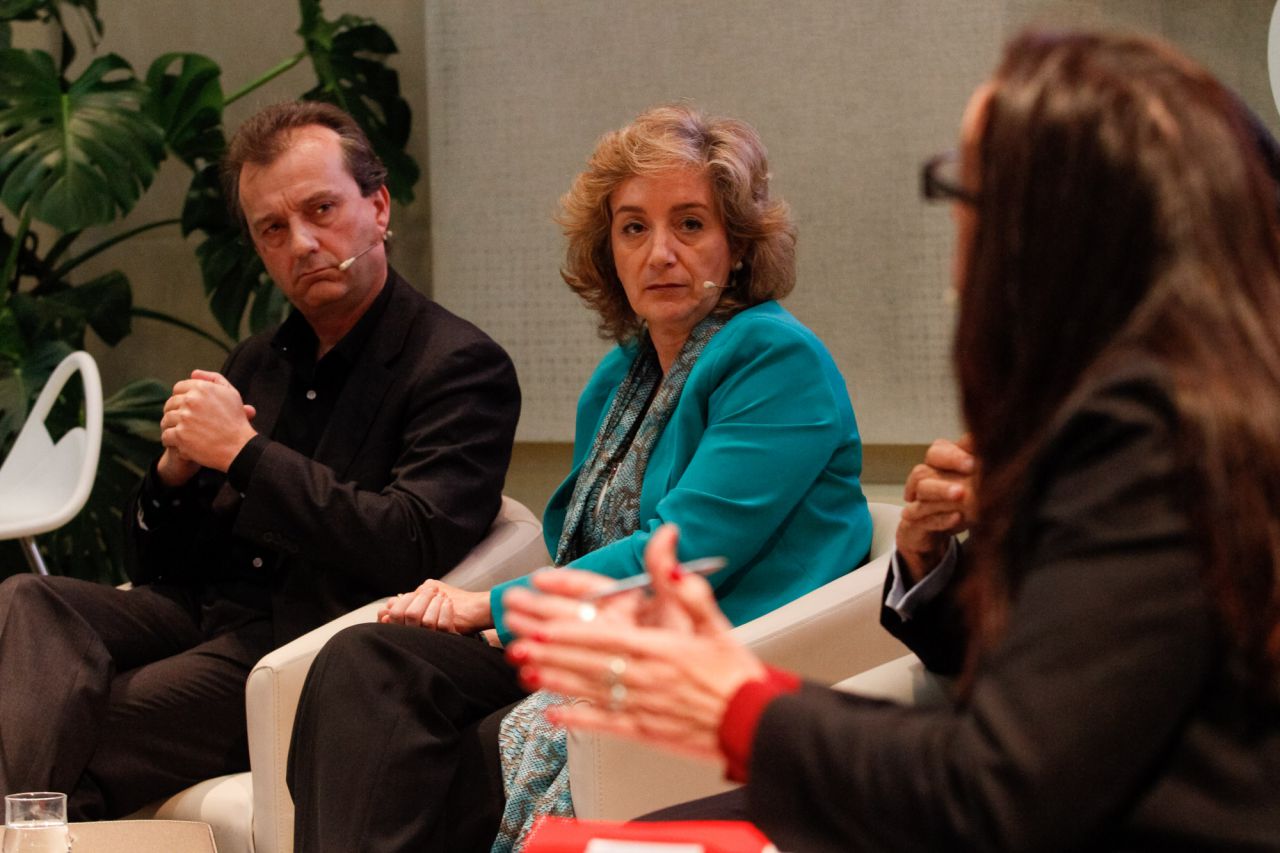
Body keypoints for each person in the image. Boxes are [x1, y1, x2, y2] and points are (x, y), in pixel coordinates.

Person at [501, 30, 1280, 852]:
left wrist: (737, 700)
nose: (955, 259)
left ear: (1064, 226)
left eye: (968, 194)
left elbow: (1001, 791)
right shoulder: (1165, 406)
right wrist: (930, 560)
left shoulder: (1143, 437)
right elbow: (1033, 680)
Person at [286, 103, 873, 852]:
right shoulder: (618, 378)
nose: (660, 252)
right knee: (366, 664)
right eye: (634, 227)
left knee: (432, 762)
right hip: (596, 639)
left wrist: (484, 606)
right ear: (609, 250)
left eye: (689, 224)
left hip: (713, 649)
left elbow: (680, 555)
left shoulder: (774, 359)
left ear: (738, 242)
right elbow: (579, 549)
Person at [0, 100, 520, 819]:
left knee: (59, 722)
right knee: (27, 597)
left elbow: (411, 539)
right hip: (200, 614)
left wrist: (245, 454)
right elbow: (156, 569)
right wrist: (173, 477)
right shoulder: (258, 359)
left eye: (321, 210)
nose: (302, 243)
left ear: (377, 206)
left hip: (301, 638)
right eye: (273, 229)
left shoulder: (458, 365)